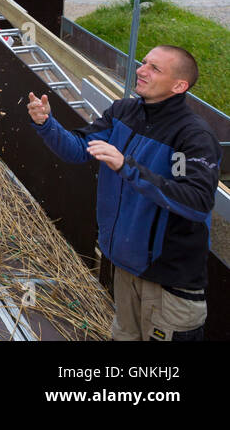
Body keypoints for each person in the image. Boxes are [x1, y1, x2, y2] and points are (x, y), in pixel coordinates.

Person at [27, 45, 220, 340]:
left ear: (179, 85)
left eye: (155, 68)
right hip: (124, 267)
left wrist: (126, 166)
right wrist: (46, 124)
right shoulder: (123, 111)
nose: (141, 70)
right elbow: (79, 150)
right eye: (144, 63)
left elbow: (196, 203)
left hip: (169, 282)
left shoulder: (194, 136)